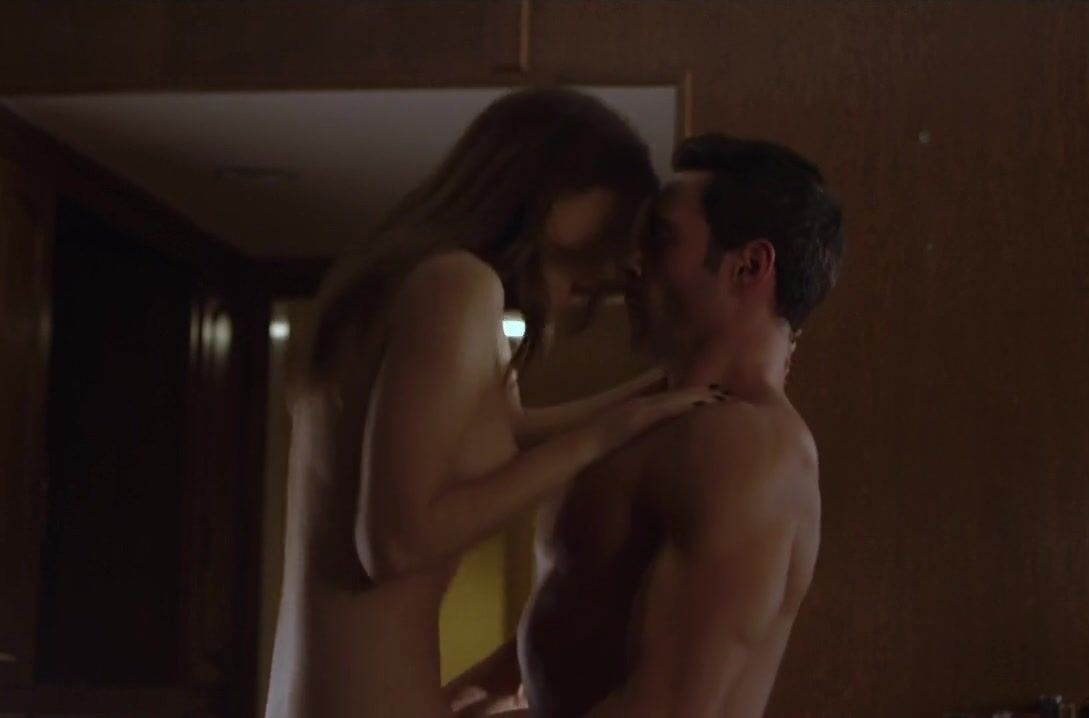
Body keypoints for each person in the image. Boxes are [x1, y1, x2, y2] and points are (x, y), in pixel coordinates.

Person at [264, 88, 720, 718]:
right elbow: (396, 543)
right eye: (617, 221)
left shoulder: (409, 284)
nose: (622, 259)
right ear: (550, 187)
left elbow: (508, 434)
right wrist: (603, 437)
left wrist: (665, 388)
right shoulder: (457, 284)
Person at [450, 134, 845, 718]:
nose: (631, 263)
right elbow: (580, 621)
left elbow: (664, 707)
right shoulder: (660, 416)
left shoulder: (746, 446)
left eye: (659, 239)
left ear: (749, 266)